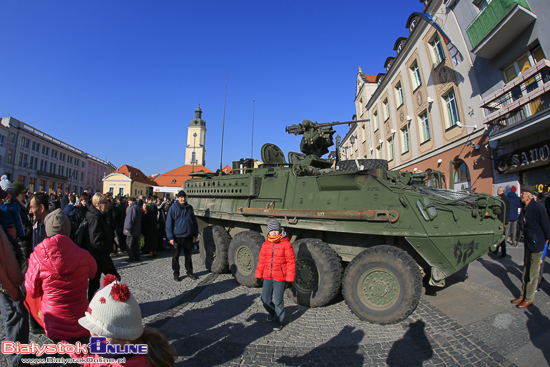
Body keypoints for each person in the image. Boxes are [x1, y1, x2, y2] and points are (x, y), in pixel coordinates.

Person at [25, 209, 97, 343]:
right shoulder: (82, 254)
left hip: (54, 320)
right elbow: (93, 272)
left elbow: (32, 292)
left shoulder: (37, 257)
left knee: (62, 355)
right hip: (80, 318)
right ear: (68, 229)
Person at [73, 275, 177, 367]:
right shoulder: (106, 345)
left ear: (123, 337)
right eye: (91, 327)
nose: (92, 333)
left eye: (99, 331)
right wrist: (77, 355)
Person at [510, 185, 550, 308]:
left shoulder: (537, 207)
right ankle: (522, 295)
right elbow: (522, 222)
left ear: (529, 195)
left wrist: (544, 243)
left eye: (523, 193)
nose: (521, 195)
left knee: (533, 273)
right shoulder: (525, 207)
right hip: (528, 243)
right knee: (526, 271)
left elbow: (547, 228)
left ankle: (529, 298)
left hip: (537, 244)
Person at [255, 219, 296, 331]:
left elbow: (291, 262)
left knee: (278, 301)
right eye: (271, 230)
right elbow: (261, 261)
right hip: (267, 276)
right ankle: (272, 312)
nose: (273, 232)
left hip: (280, 277)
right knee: (265, 299)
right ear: (268, 231)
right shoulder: (266, 244)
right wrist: (259, 275)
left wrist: (289, 278)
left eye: (276, 230)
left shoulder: (286, 244)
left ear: (279, 230)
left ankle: (279, 320)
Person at [0, 225, 29, 367]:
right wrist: (10, 288)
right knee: (15, 319)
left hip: (12, 282)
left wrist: (10, 237)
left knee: (20, 318)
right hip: (8, 287)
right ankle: (18, 362)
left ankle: (21, 357)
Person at [87, 193, 121, 301]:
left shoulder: (100, 216)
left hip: (101, 257)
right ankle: (94, 307)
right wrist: (110, 247)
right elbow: (96, 241)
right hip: (98, 257)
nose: (108, 205)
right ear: (98, 204)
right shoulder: (95, 218)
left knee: (111, 281)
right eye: (105, 203)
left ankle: (108, 304)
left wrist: (112, 242)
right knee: (112, 281)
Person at [165, 190, 198, 281]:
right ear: (177, 198)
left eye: (184, 197)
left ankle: (189, 272)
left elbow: (194, 222)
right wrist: (170, 237)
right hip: (177, 237)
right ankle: (176, 273)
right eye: (181, 197)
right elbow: (168, 223)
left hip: (188, 236)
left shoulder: (189, 208)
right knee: (175, 257)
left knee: (188, 256)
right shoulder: (173, 208)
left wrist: (195, 234)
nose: (183, 199)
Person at [493, 186, 510, 258]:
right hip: (506, 219)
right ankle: (496, 250)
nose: (497, 191)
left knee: (500, 236)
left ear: (500, 191)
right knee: (502, 235)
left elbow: (497, 210)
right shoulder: (507, 199)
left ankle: (503, 252)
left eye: (497, 190)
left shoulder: (499, 199)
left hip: (500, 220)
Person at [124, 197, 142, 262]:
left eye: (128, 202)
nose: (128, 203)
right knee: (135, 244)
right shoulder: (137, 207)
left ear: (131, 201)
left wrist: (127, 228)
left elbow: (131, 219)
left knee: (130, 244)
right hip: (136, 230)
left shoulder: (132, 208)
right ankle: (137, 256)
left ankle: (131, 257)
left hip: (132, 230)